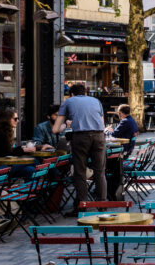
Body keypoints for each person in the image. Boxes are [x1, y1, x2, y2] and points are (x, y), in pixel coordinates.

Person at [52, 82, 107, 215]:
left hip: (81, 137)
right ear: (85, 92)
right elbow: (102, 123)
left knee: (80, 172)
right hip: (99, 136)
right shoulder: (96, 101)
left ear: (72, 94)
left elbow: (55, 129)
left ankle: (83, 206)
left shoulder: (68, 101)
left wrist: (65, 125)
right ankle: (103, 205)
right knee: (100, 171)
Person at [0, 109, 37, 180]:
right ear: (7, 119)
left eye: (18, 119)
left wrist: (22, 148)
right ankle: (54, 179)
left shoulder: (4, 132)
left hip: (4, 166)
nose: (18, 121)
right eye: (15, 119)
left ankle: (31, 190)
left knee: (30, 169)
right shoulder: (1, 133)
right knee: (34, 161)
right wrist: (23, 150)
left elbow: (7, 151)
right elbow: (6, 154)